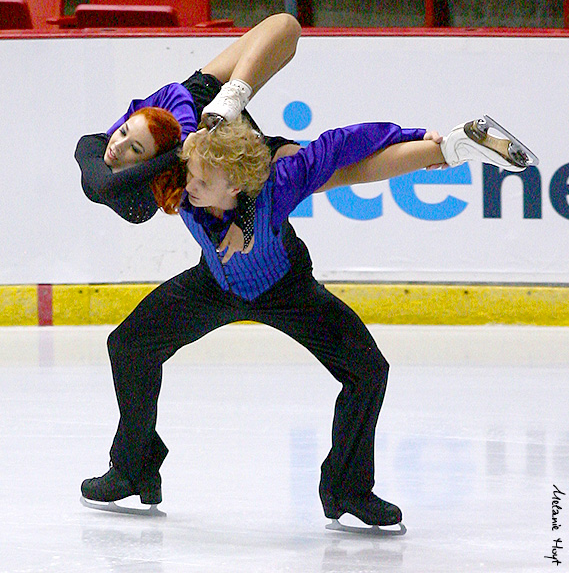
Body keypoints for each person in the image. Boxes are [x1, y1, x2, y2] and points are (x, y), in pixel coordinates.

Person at [80, 114, 535, 529]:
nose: (189, 186)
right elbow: (102, 166)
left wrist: (417, 137)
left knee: (368, 371)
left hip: (286, 289)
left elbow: (343, 143)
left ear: (238, 187)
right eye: (190, 175)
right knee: (128, 345)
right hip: (213, 285)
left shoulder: (283, 180)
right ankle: (134, 468)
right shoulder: (183, 174)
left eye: (201, 181)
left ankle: (347, 489)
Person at [75, 13, 302, 255]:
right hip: (204, 142)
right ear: (154, 157)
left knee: (288, 29)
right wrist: (179, 152)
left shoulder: (100, 145)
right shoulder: (105, 158)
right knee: (304, 163)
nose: (118, 145)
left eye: (127, 136)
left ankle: (233, 94)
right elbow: (109, 186)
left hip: (196, 107)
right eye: (132, 144)